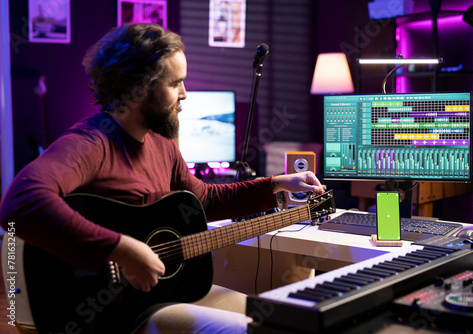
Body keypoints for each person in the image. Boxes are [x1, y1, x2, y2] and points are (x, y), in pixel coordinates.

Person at [0, 23, 325, 333]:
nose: (185, 94)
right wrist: (122, 250)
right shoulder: (91, 144)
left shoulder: (162, 143)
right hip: (112, 314)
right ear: (137, 88)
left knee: (286, 321)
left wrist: (276, 184)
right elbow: (21, 203)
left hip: (157, 297)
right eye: (174, 83)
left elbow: (203, 200)